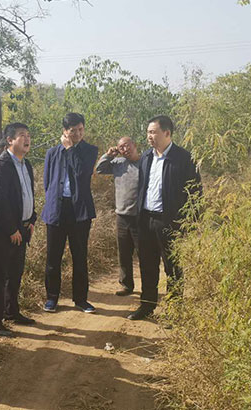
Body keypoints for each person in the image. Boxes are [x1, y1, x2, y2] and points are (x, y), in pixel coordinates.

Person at [128, 115, 201, 320]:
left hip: (171, 222)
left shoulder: (184, 158)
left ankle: (174, 311)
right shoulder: (146, 157)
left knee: (173, 268)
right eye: (148, 132)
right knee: (147, 265)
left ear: (167, 133)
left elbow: (195, 193)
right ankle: (147, 306)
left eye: (153, 132)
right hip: (146, 220)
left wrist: (189, 224)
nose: (149, 136)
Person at [41, 113, 98, 313]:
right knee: (53, 258)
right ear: (65, 131)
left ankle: (81, 299)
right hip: (57, 209)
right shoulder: (52, 153)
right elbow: (47, 182)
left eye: (81, 129)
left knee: (79, 256)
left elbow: (82, 173)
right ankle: (52, 298)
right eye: (73, 131)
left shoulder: (90, 150)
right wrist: (52, 203)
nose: (78, 134)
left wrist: (70, 149)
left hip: (79, 211)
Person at [0, 123, 37, 337]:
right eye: (22, 135)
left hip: (22, 229)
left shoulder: (26, 164)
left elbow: (28, 194)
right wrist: (11, 229)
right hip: (2, 231)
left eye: (28, 135)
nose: (27, 139)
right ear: (10, 140)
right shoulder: (0, 165)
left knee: (15, 274)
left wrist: (32, 219)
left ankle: (11, 312)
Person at [96, 137, 141, 296]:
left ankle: (149, 288)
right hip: (122, 216)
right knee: (124, 253)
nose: (125, 149)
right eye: (121, 147)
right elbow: (100, 169)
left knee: (143, 254)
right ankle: (126, 285)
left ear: (134, 145)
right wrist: (109, 155)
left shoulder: (145, 163)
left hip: (139, 217)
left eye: (127, 145)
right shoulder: (118, 163)